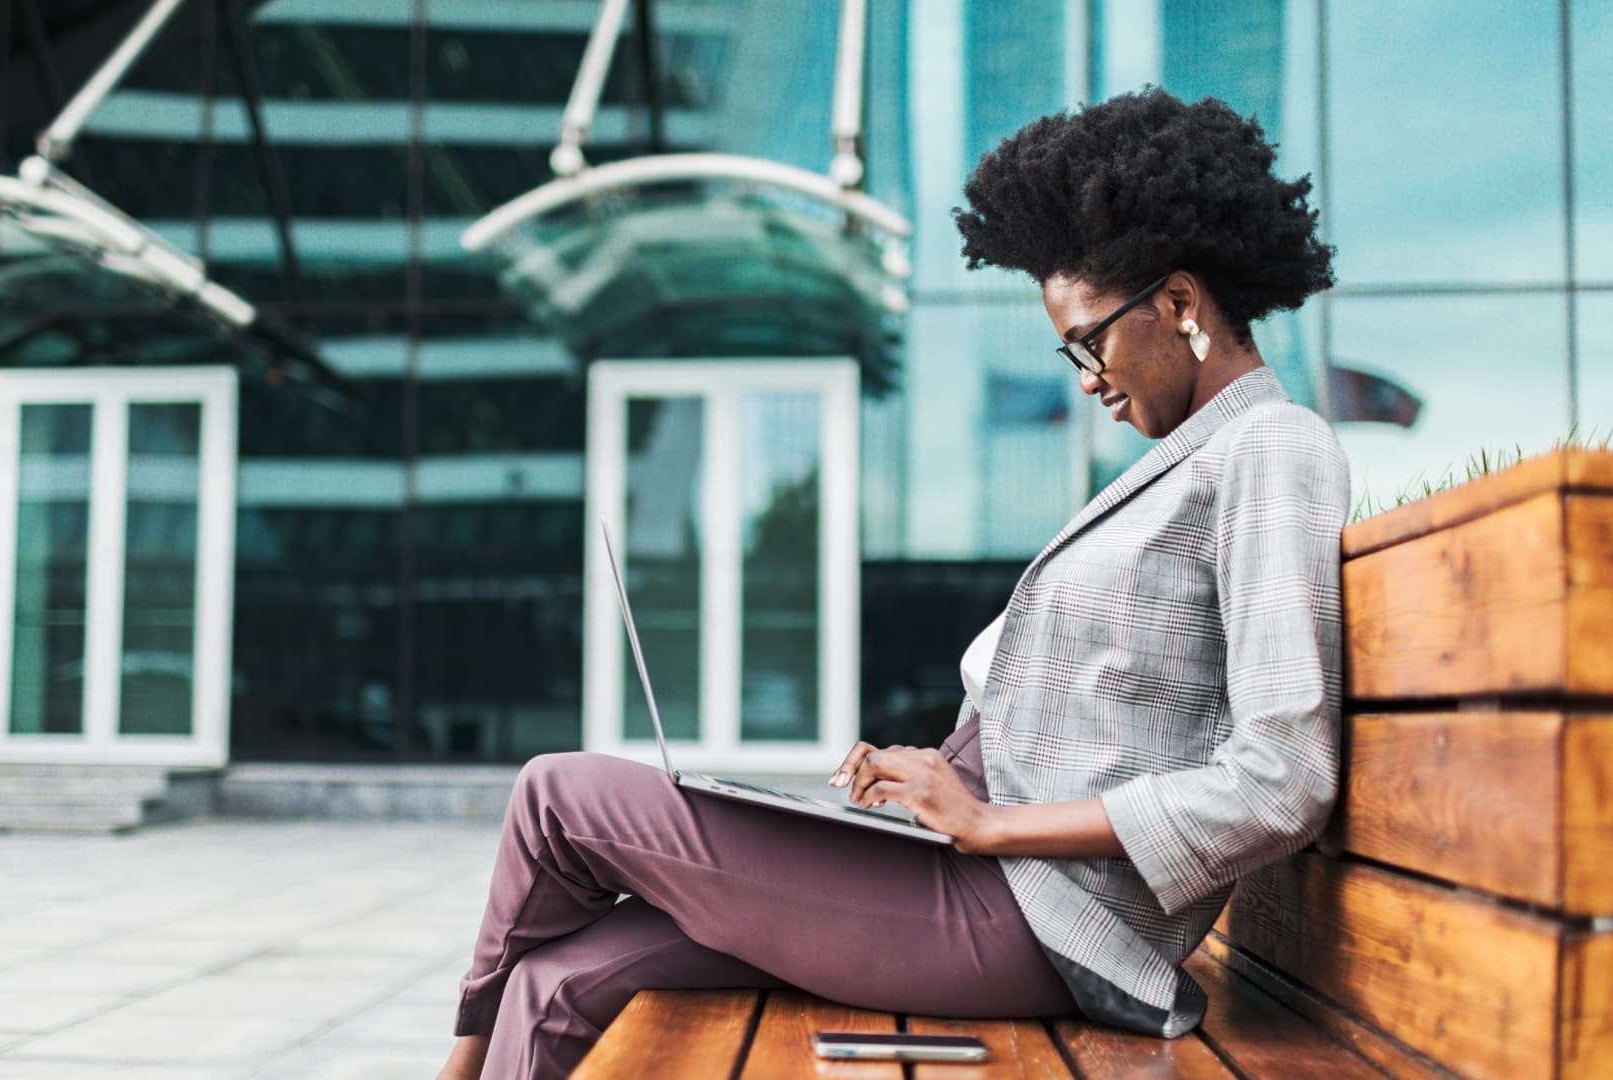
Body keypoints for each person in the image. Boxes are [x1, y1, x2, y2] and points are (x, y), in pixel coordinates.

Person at [438, 87, 1349, 1080]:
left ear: (1178, 304)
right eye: (1069, 353)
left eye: (1089, 338)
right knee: (561, 981)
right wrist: (934, 776)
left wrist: (993, 821)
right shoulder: (1182, 461)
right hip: (974, 872)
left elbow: (1283, 781)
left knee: (559, 795)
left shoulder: (1273, 448)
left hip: (1041, 915)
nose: (1085, 377)